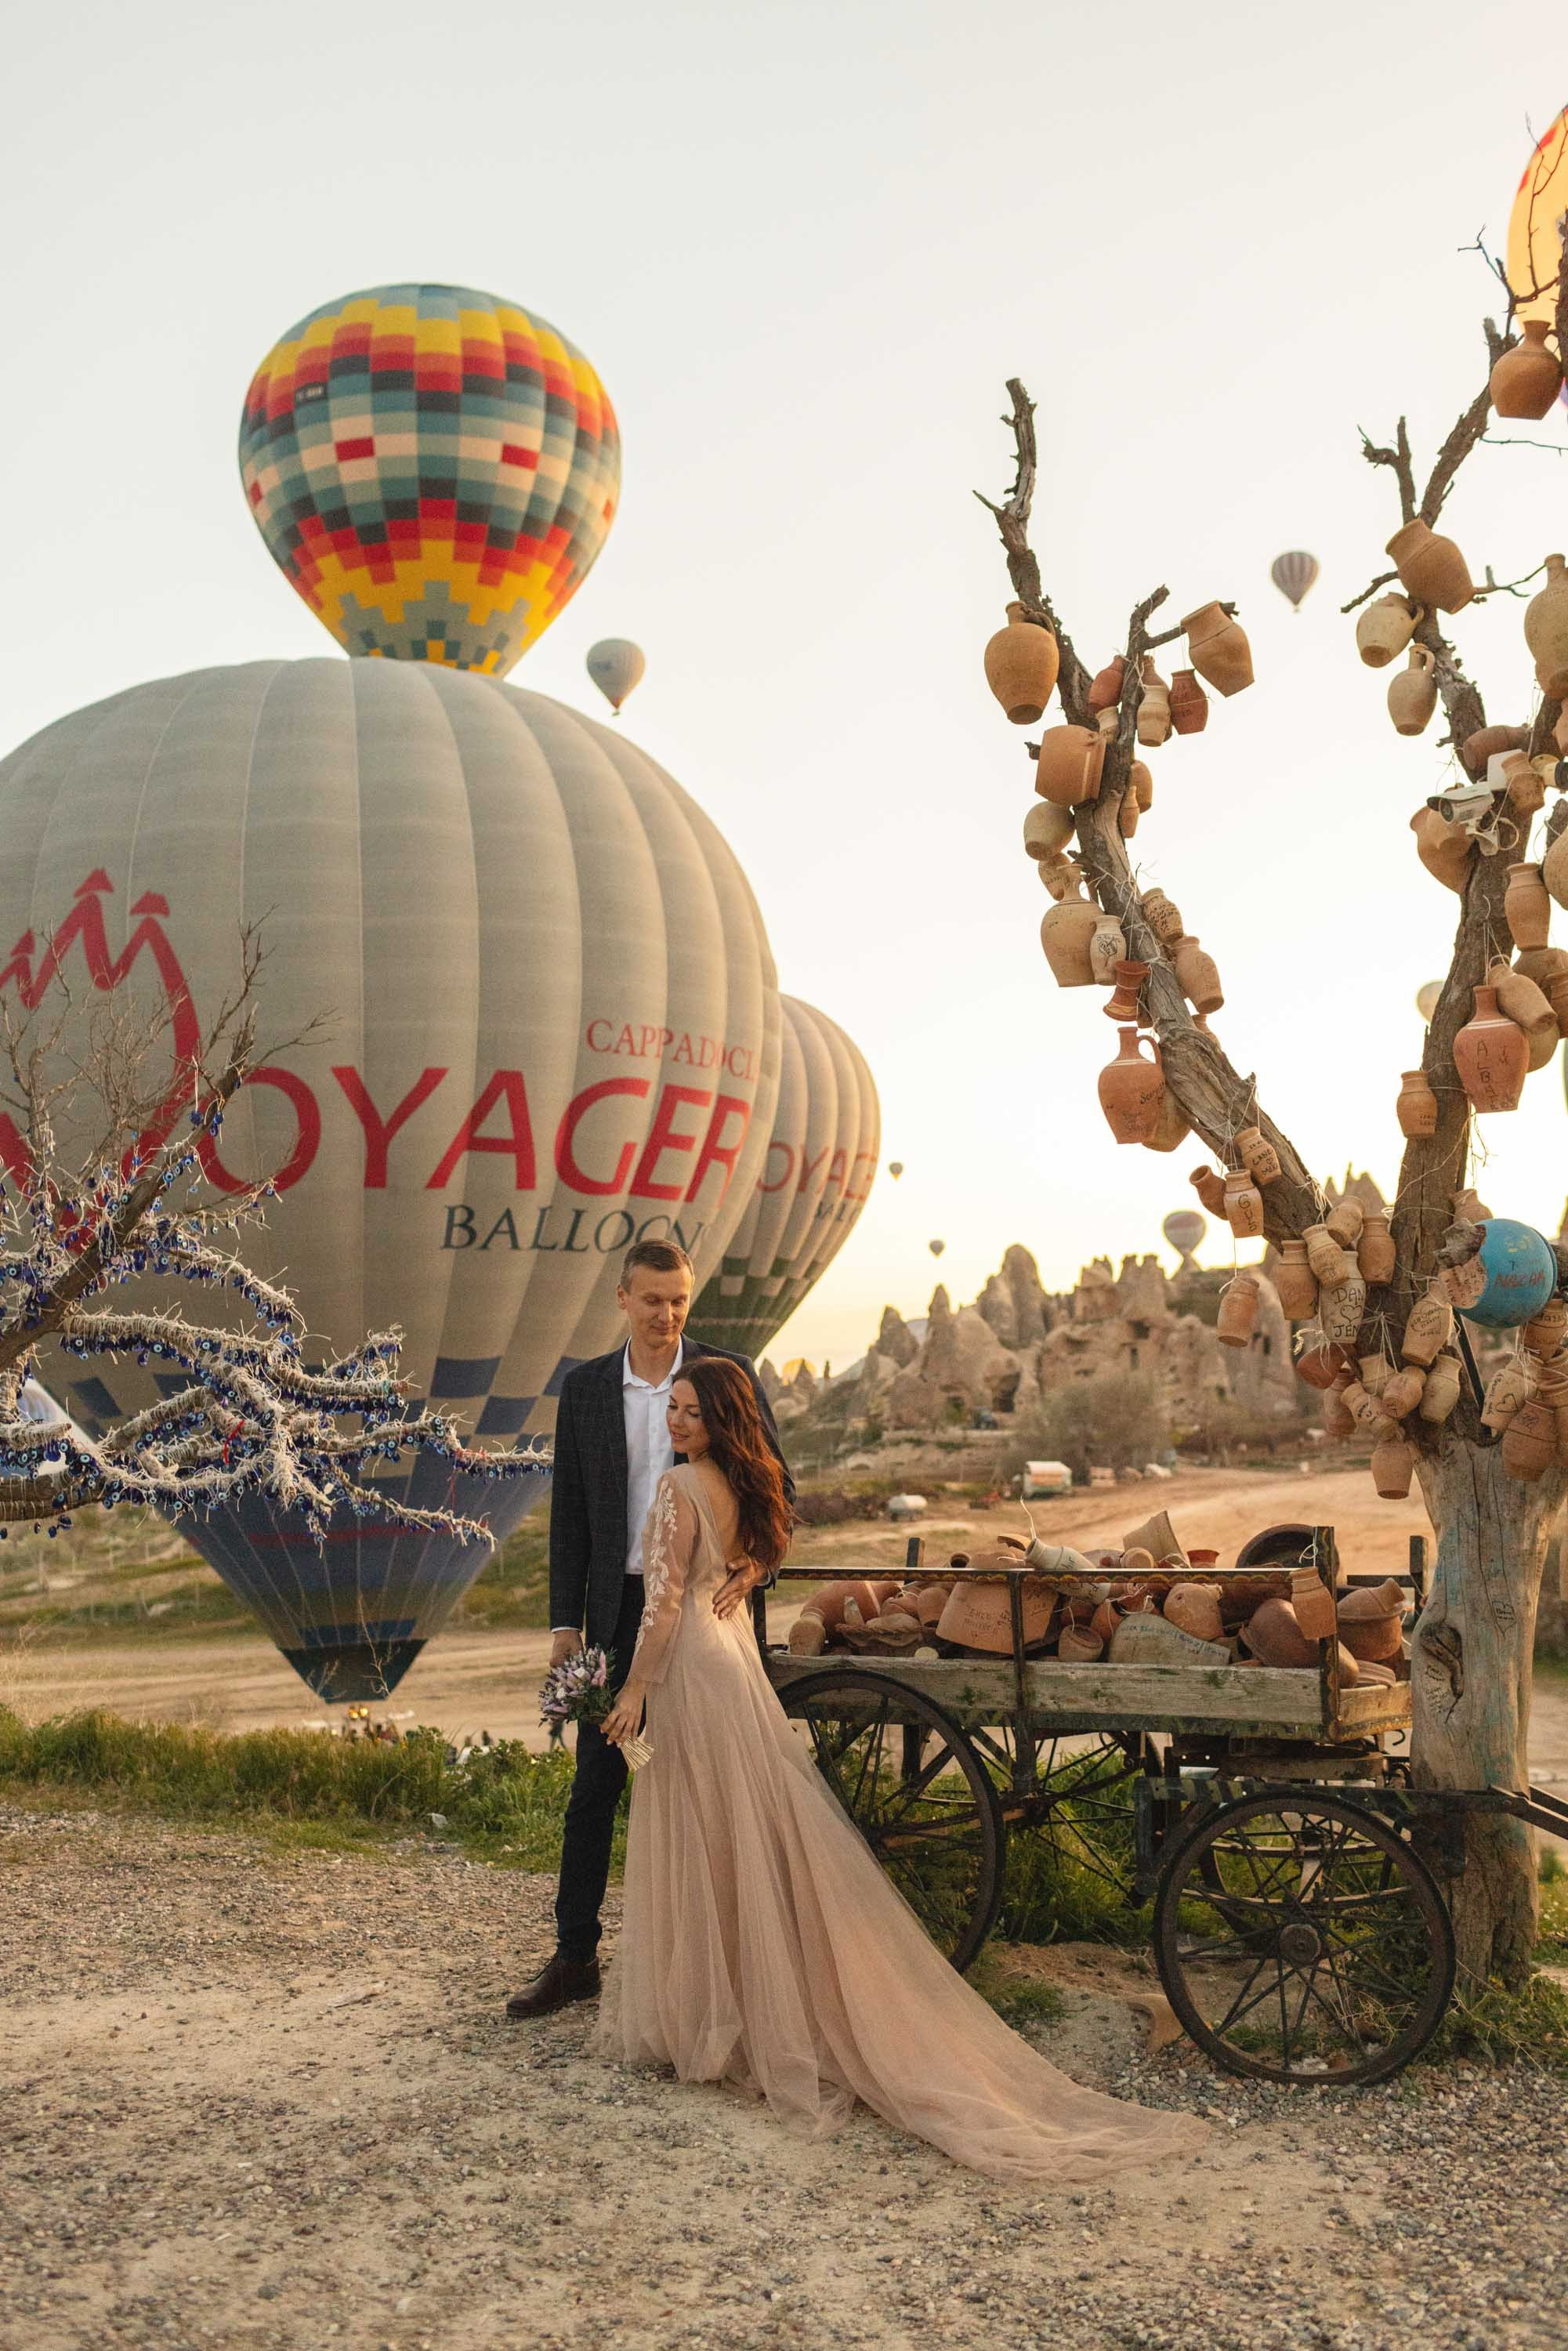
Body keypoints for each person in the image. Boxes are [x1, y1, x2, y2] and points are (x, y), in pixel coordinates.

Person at [590, 1356, 1207, 2183]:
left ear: (721, 1421)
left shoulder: (676, 1488)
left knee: (703, 1830)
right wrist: (746, 1570)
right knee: (744, 1828)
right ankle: (731, 2007)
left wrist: (634, 1688)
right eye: (674, 1409)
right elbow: (766, 1548)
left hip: (692, 1668)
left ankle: (709, 2017)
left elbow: (663, 1604)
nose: (677, 1423)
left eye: (692, 1413)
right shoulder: (742, 1482)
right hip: (729, 1657)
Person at [505, 1237, 791, 2021]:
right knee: (594, 1789)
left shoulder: (725, 1375)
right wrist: (565, 1624)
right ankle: (575, 1958)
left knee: (709, 1790)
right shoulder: (586, 1390)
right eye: (653, 1300)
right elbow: (569, 1515)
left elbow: (777, 1485)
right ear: (623, 1299)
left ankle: (731, 1966)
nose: (667, 1315)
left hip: (701, 1615)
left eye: (679, 1300)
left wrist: (755, 1564)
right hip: (616, 1612)